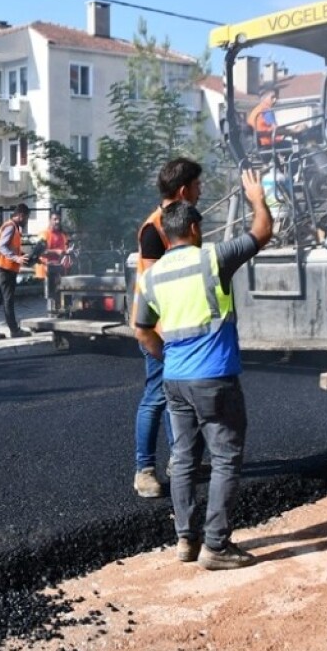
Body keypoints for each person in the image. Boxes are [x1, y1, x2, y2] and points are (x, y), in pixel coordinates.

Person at [133, 168, 273, 570]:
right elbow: (261, 233)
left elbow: (142, 331)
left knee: (183, 459)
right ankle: (216, 546)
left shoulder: (153, 275)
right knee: (226, 459)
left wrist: (168, 358)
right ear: (193, 229)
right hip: (214, 378)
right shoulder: (212, 259)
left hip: (175, 381)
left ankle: (186, 540)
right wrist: (257, 198)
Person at [133, 158, 203, 499]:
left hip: (181, 325)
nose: (200, 191)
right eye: (197, 186)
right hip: (160, 329)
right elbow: (152, 286)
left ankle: (180, 460)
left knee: (178, 399)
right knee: (156, 396)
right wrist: (160, 340)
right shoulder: (154, 229)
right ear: (182, 190)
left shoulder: (184, 223)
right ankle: (144, 469)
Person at [0, 204, 33, 341]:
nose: (26, 221)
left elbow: (10, 248)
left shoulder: (9, 226)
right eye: (26, 218)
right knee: (8, 301)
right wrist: (16, 258)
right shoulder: (11, 227)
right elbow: (2, 246)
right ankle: (14, 330)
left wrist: (23, 256)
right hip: (4, 270)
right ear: (21, 215)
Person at [34, 211, 72, 313]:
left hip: (61, 269)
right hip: (48, 269)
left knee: (61, 293)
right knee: (51, 295)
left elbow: (67, 248)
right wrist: (56, 252)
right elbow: (40, 252)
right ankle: (52, 314)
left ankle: (61, 312)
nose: (57, 222)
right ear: (50, 220)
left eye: (59, 219)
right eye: (55, 219)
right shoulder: (44, 234)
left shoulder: (63, 234)